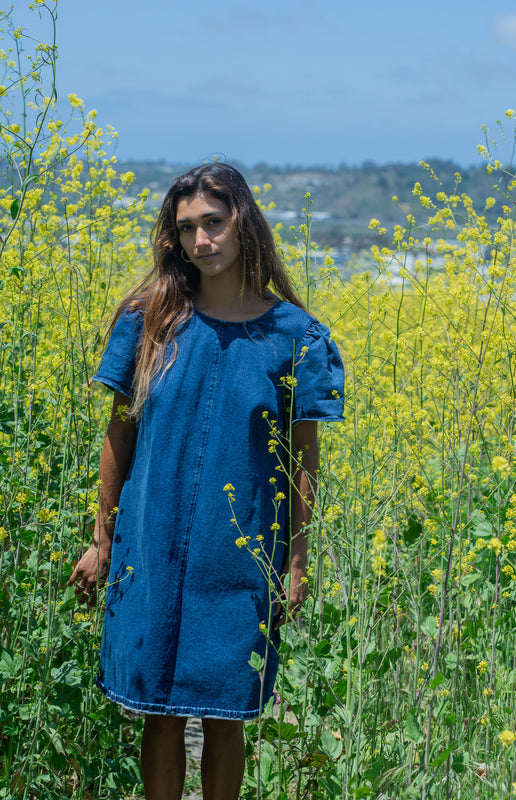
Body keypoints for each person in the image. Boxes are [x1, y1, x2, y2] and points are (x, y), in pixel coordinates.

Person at [69, 162, 344, 800]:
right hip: (152, 543)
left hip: (242, 554)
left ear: (243, 220)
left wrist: (296, 562)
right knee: (159, 713)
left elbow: (303, 464)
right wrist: (102, 538)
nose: (203, 241)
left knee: (227, 717)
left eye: (214, 223)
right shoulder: (148, 320)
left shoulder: (296, 338)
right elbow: (120, 435)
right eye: (188, 229)